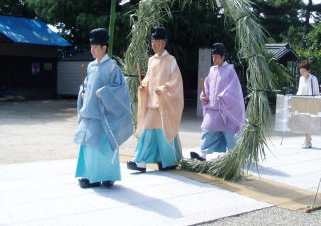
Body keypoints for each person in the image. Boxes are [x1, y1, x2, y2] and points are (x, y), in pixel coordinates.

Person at [74, 28, 133, 188]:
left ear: (104, 47)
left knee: (104, 147)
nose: (92, 50)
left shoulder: (112, 67)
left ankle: (107, 176)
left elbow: (120, 89)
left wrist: (105, 93)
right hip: (90, 113)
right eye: (91, 47)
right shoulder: (91, 66)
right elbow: (86, 85)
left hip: (104, 115)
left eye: (95, 47)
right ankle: (88, 175)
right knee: (88, 144)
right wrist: (83, 92)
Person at [127, 27, 184, 172]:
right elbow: (148, 79)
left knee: (163, 131)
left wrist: (164, 89)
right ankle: (142, 162)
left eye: (156, 41)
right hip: (152, 103)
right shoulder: (151, 60)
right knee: (148, 130)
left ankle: (166, 161)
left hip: (164, 102)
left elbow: (176, 82)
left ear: (164, 43)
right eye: (152, 41)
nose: (153, 44)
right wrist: (143, 87)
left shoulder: (171, 60)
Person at [190, 43, 245, 162]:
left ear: (223, 57)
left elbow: (234, 88)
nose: (214, 59)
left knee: (229, 134)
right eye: (212, 57)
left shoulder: (230, 71)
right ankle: (203, 155)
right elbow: (207, 85)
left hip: (226, 109)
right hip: (213, 108)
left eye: (216, 56)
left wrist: (223, 96)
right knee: (207, 130)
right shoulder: (212, 70)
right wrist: (204, 96)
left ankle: (233, 156)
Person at [296, 60, 321, 149]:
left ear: (308, 70)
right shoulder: (301, 78)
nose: (302, 73)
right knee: (304, 122)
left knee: (308, 122)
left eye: (304, 71)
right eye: (301, 71)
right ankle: (307, 138)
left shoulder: (313, 78)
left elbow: (315, 92)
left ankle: (308, 140)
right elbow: (299, 91)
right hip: (303, 102)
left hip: (311, 103)